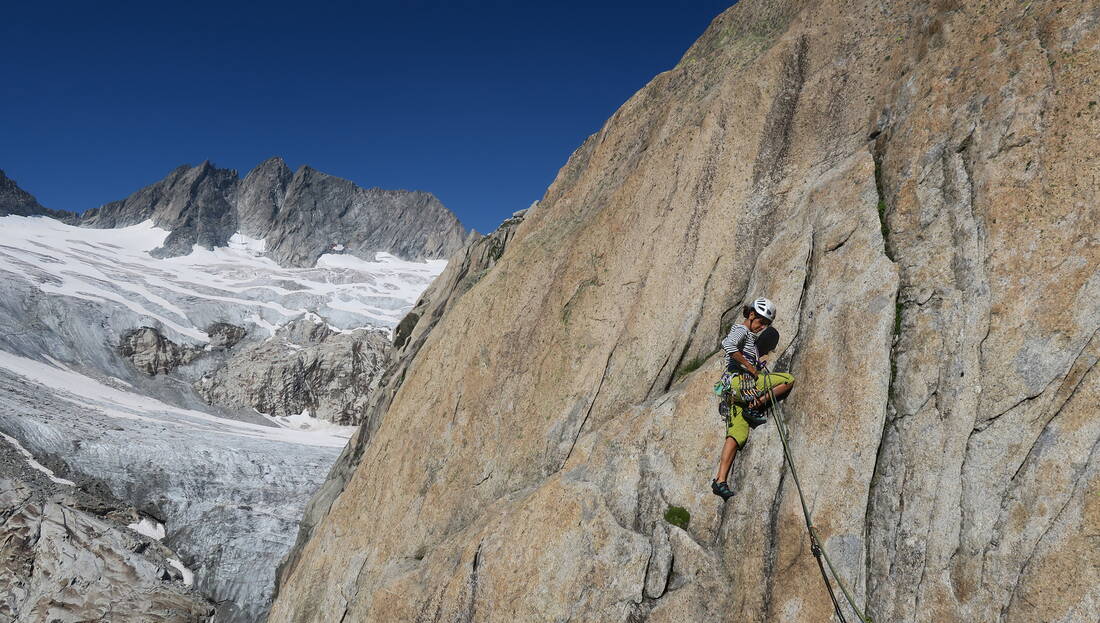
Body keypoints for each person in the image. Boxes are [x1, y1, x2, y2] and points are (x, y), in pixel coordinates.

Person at [710, 298, 795, 500]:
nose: (762, 327)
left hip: (735, 393)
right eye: (761, 322)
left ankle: (720, 480)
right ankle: (755, 404)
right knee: (788, 380)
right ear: (751, 315)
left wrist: (756, 360)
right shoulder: (742, 330)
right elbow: (728, 344)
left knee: (737, 434)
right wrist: (750, 367)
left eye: (766, 324)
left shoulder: (750, 338)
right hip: (741, 383)